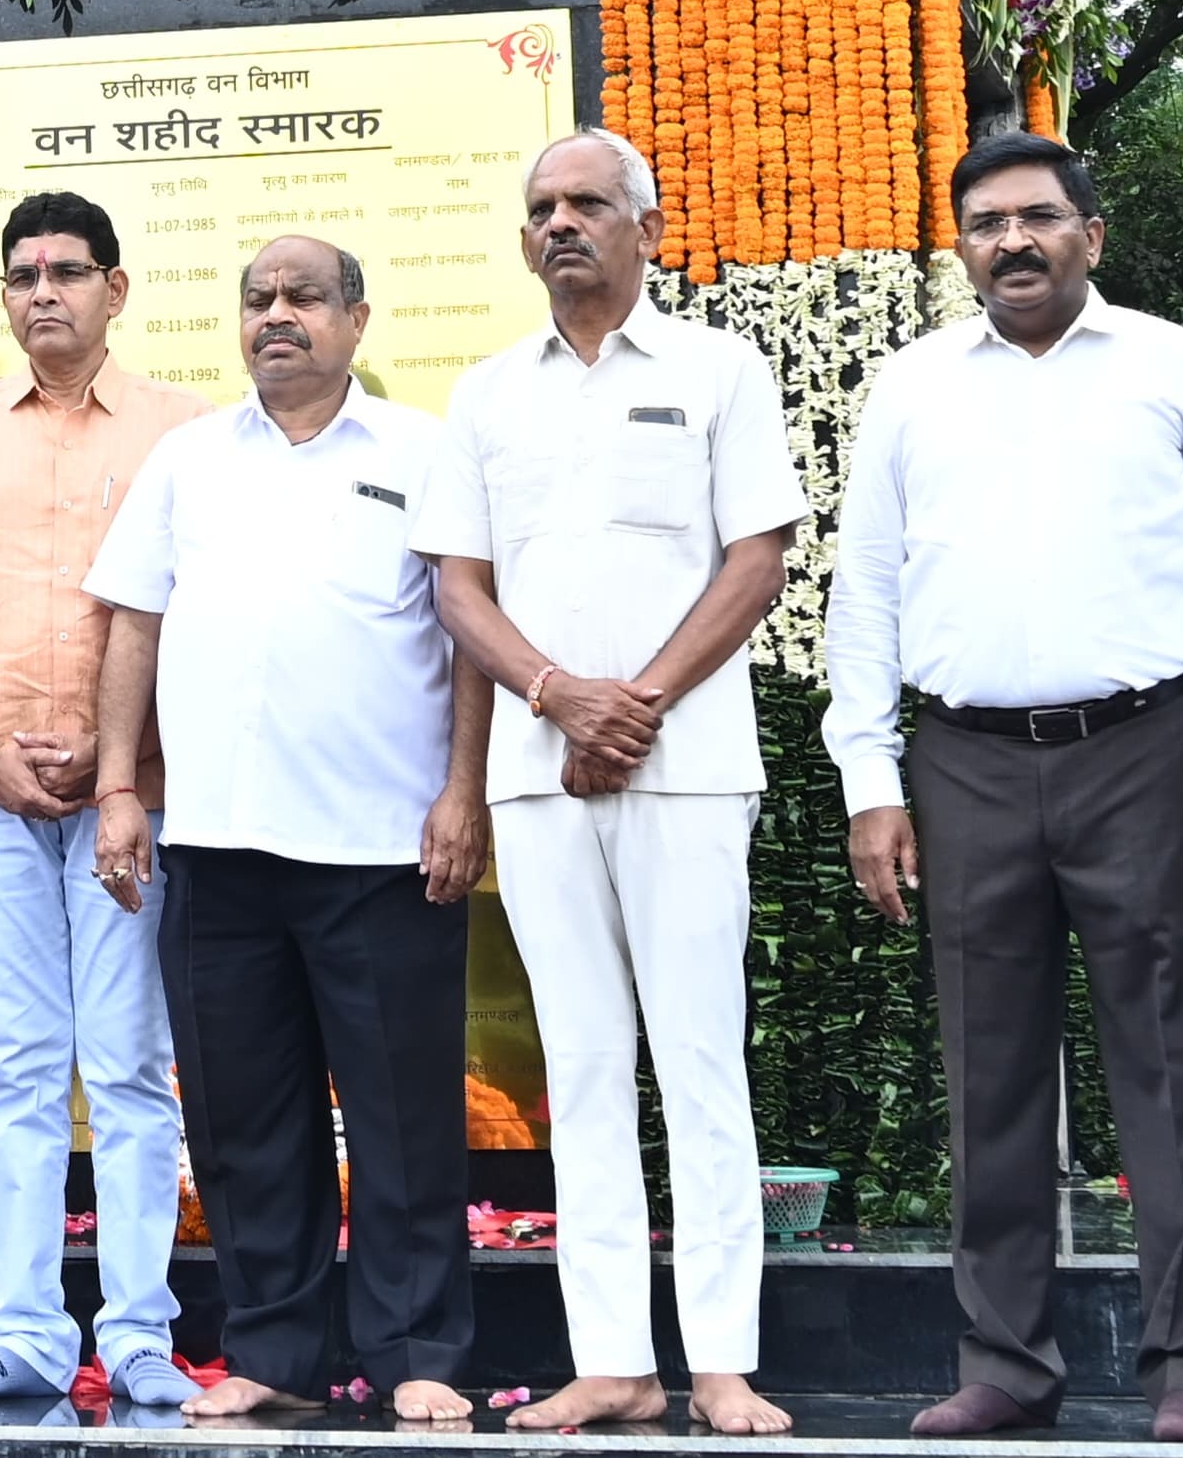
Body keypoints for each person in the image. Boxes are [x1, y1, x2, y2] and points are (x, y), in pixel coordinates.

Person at [826, 134, 1183, 1448]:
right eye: (983, 222)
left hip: (1138, 747)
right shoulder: (908, 388)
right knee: (989, 1070)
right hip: (960, 759)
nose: (1010, 241)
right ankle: (1004, 1364)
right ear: (958, 244)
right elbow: (868, 586)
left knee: (1167, 1064)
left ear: (1090, 229)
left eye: (1035, 215)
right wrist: (869, 775)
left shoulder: (1173, 368)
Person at [415, 129, 804, 1438]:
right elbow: (457, 585)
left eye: (586, 201)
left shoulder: (716, 367)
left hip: (685, 768)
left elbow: (753, 555)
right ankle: (611, 1360)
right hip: (537, 777)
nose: (560, 222)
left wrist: (628, 701)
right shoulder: (482, 393)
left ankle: (722, 1362)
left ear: (648, 222)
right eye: (540, 206)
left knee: (700, 1057)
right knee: (579, 1063)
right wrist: (555, 696)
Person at [88, 233, 490, 1425]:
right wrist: (119, 786)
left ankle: (416, 1348)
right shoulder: (187, 457)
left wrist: (462, 789)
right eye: (258, 296)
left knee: (404, 1113)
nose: (277, 314)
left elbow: (470, 633)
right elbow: (133, 628)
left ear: (355, 319)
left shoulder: (423, 449)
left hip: (381, 847)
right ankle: (270, 1352)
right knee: (242, 1117)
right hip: (217, 845)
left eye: (302, 296)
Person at [0, 190, 208, 1410]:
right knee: (22, 1064)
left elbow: (198, 605)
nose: (43, 291)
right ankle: (24, 1330)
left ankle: (136, 1330)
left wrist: (119, 764)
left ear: (115, 289)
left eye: (67, 270)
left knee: (128, 1062)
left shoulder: (187, 431)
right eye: (21, 272)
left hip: (135, 794)